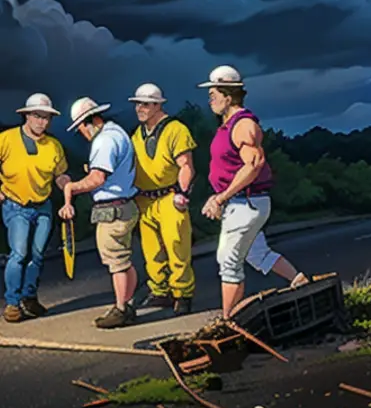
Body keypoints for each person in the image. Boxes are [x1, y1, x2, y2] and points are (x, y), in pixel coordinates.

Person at [199, 66, 308, 317]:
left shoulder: (243, 124)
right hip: (240, 203)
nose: (210, 99)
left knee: (228, 261)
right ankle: (299, 280)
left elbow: (254, 164)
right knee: (257, 254)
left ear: (228, 95)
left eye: (213, 93)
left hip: (245, 203)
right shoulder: (228, 126)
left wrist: (221, 197)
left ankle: (229, 320)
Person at [60, 97, 141, 329]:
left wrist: (72, 187)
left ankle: (121, 309)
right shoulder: (117, 132)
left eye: (81, 129)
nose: (82, 134)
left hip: (112, 209)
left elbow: (97, 178)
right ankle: (127, 302)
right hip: (125, 204)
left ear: (89, 122)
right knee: (124, 259)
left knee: (116, 262)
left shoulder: (104, 141)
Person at [129, 83, 197, 315]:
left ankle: (182, 294)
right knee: (151, 250)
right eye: (137, 103)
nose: (140, 108)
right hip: (144, 198)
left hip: (169, 195)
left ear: (158, 105)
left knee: (177, 246)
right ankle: (159, 290)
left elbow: (186, 165)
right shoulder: (137, 134)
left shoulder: (175, 129)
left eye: (145, 104)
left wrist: (182, 192)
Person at [1, 94, 70, 323]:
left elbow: (60, 175)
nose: (43, 122)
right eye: (39, 117)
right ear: (27, 116)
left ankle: (29, 296)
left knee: (38, 255)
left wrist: (68, 192)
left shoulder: (53, 145)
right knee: (19, 253)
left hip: (43, 205)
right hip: (16, 203)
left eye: (47, 118)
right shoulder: (7, 139)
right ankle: (12, 302)